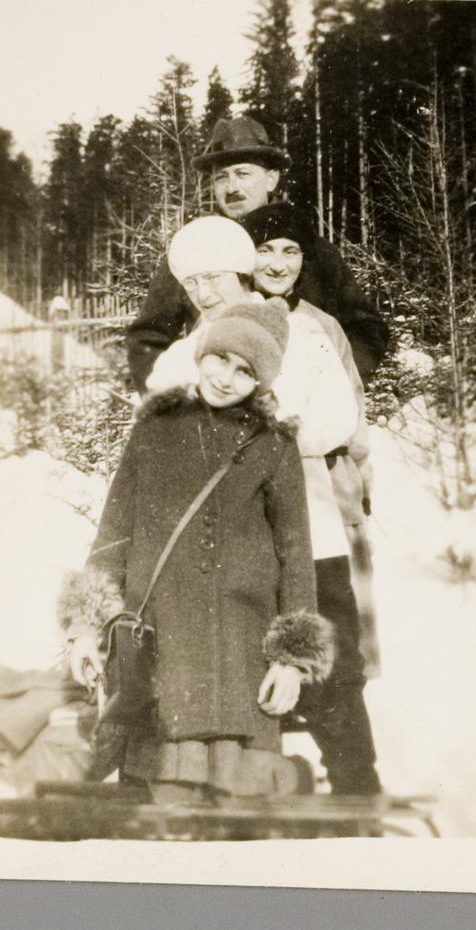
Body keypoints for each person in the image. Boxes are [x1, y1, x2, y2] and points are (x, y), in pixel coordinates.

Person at [59, 298, 335, 800]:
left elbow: (296, 555)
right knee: (164, 802)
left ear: (262, 381)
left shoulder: (273, 445)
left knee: (238, 807)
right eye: (220, 358)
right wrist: (83, 629)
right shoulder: (154, 430)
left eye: (245, 371)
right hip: (163, 649)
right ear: (203, 352)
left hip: (242, 654)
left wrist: (291, 660)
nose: (226, 378)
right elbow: (114, 533)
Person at [242, 201, 383, 793]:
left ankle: (356, 785)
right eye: (265, 249)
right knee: (250, 641)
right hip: (248, 510)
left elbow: (349, 417)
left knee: (333, 650)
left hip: (318, 507)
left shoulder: (323, 326)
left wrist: (352, 484)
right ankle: (254, 781)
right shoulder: (229, 321)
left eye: (290, 250)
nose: (278, 263)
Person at [126, 116, 389, 392]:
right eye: (221, 177)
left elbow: (367, 329)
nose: (232, 188)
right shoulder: (196, 249)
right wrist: (176, 401)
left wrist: (331, 384)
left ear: (271, 179)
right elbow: (147, 338)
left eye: (243, 174)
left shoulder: (313, 251)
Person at [144, 214, 261, 394]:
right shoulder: (179, 357)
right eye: (190, 284)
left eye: (213, 278)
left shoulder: (296, 338)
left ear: (241, 277)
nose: (202, 295)